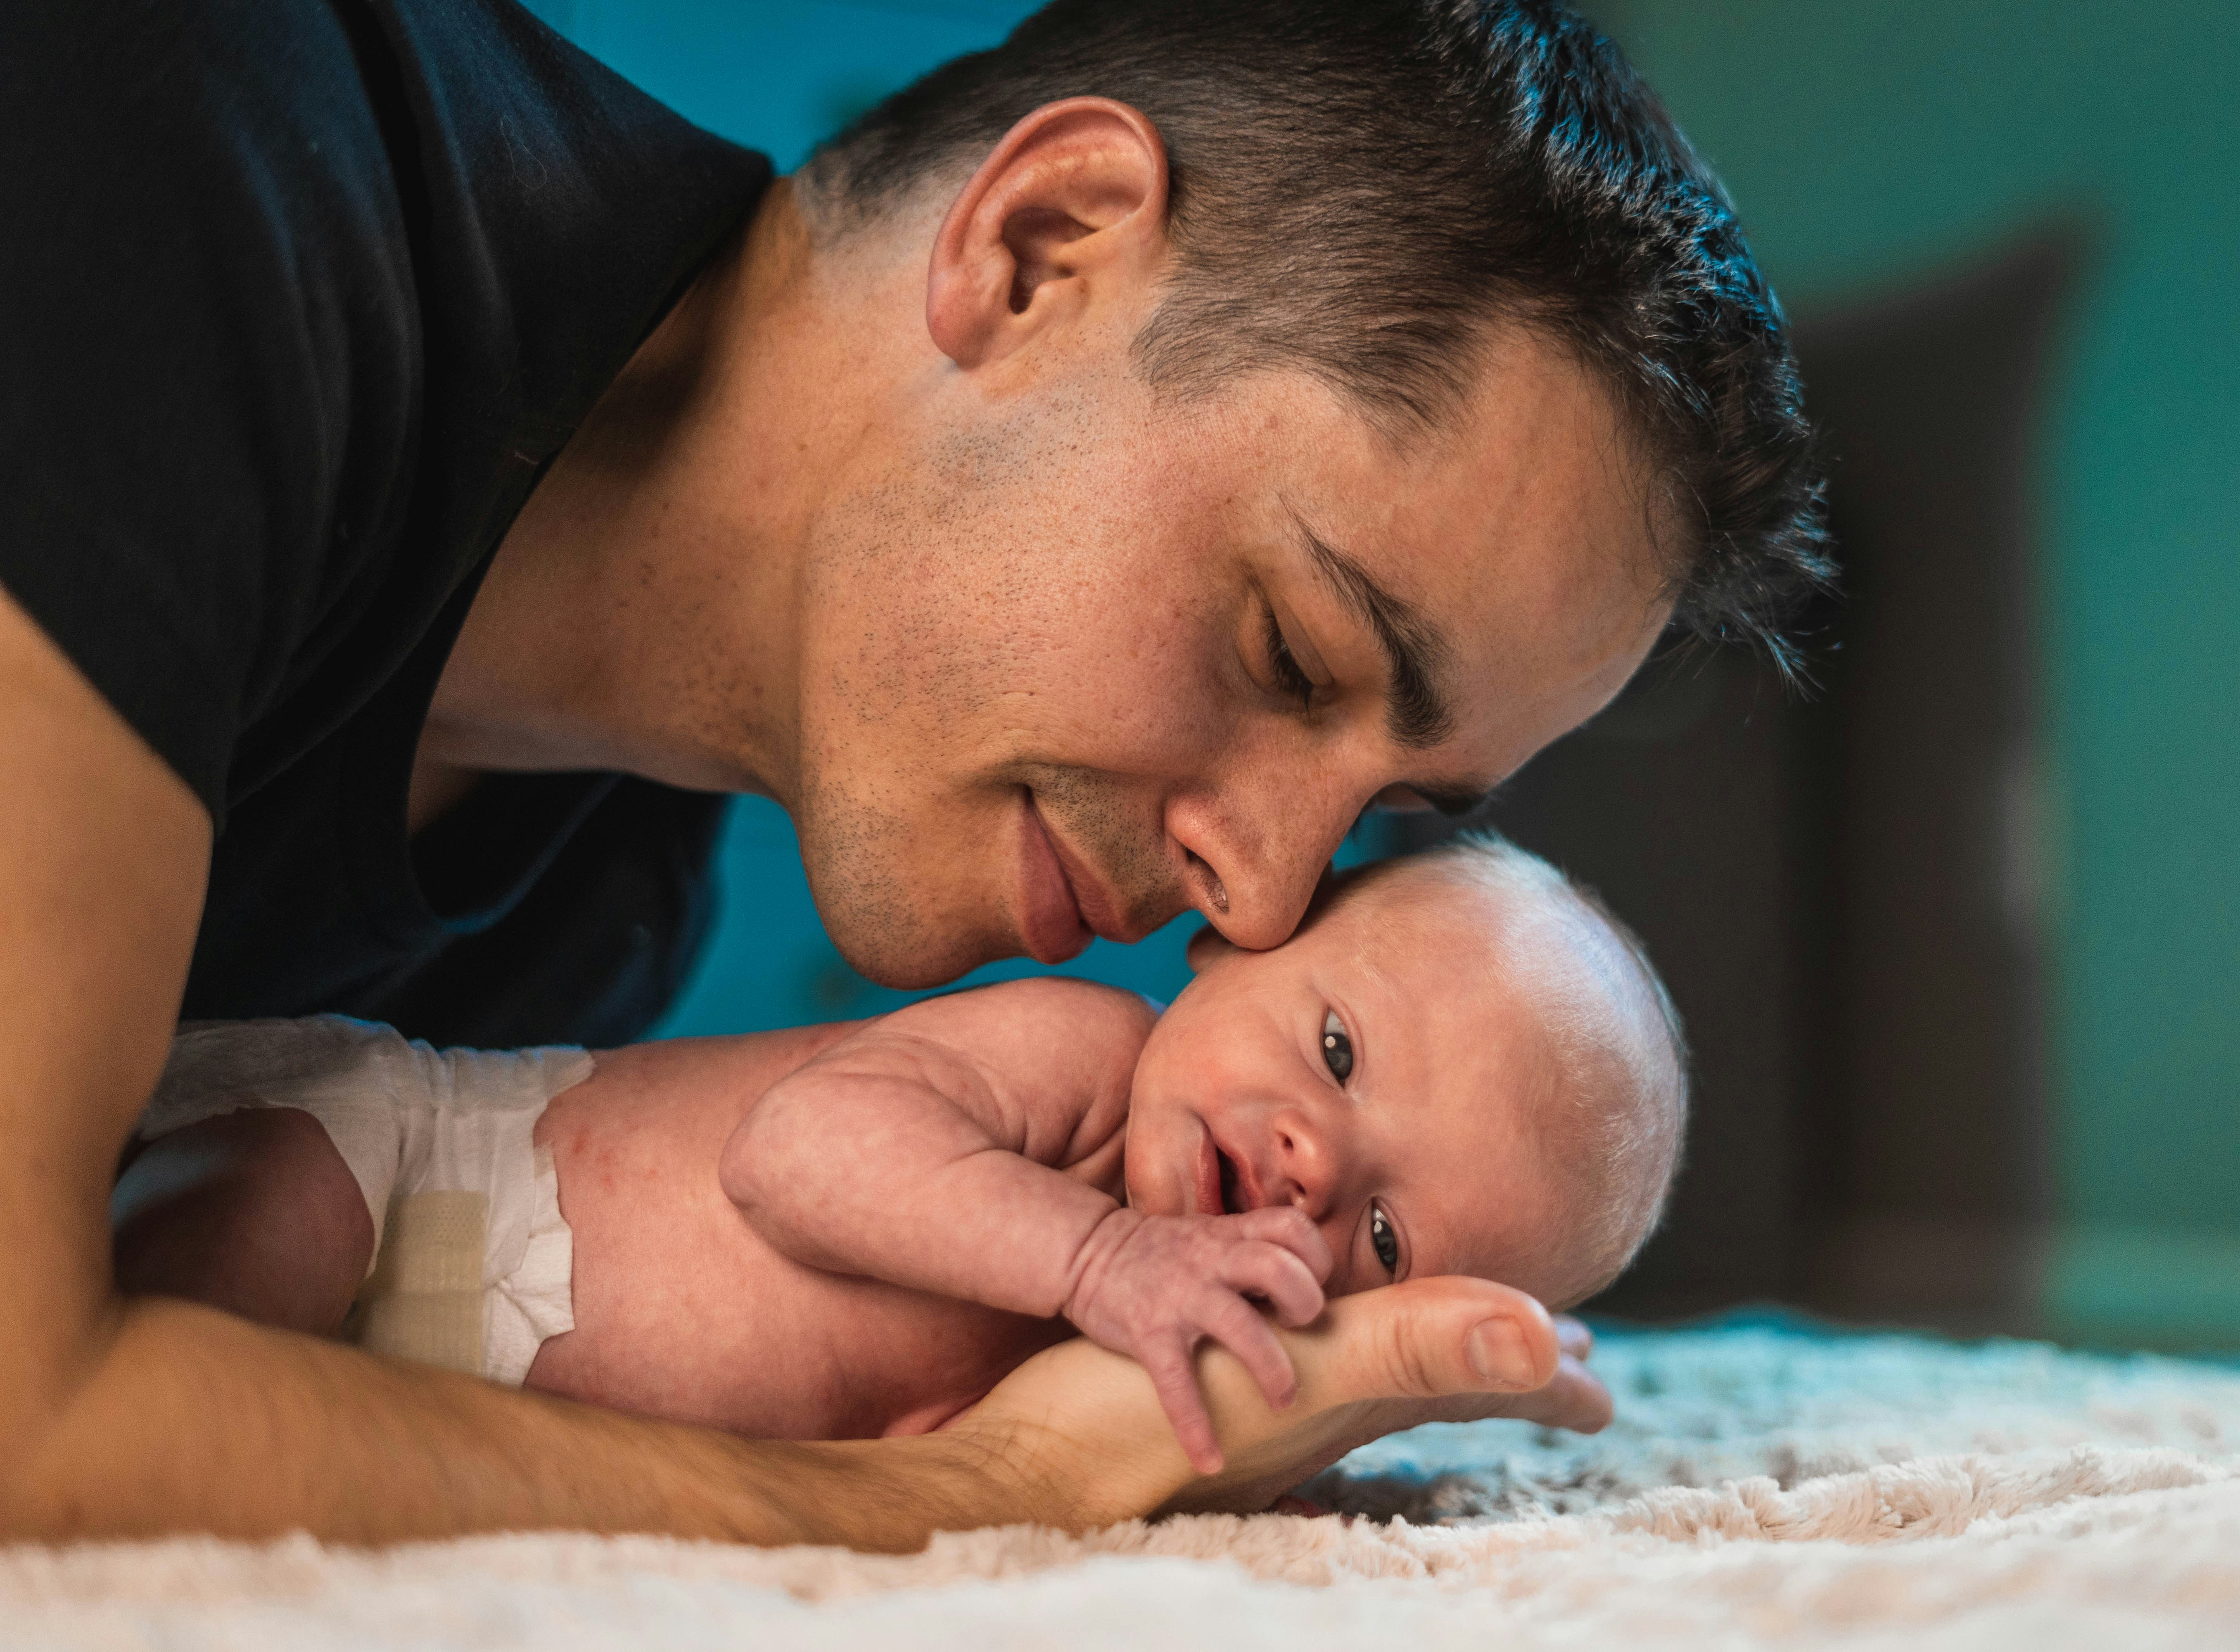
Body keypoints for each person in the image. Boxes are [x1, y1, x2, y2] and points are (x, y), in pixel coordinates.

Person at [0, 0, 1829, 1545]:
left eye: (1385, 822)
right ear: (1040, 250)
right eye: (1289, 646)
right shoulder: (166, 162)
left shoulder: (585, 918)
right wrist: (971, 1492)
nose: (1264, 900)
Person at [116, 838, 1686, 1479]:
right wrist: (1094, 1256)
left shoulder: (1179, 1323)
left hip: (453, 1419)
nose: (1314, 1171)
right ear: (1231, 942)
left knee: (259, 1458)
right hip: (394, 1174)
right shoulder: (1080, 1058)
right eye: (1336, 1053)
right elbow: (794, 1158)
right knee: (163, 1353)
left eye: (1395, 1240)